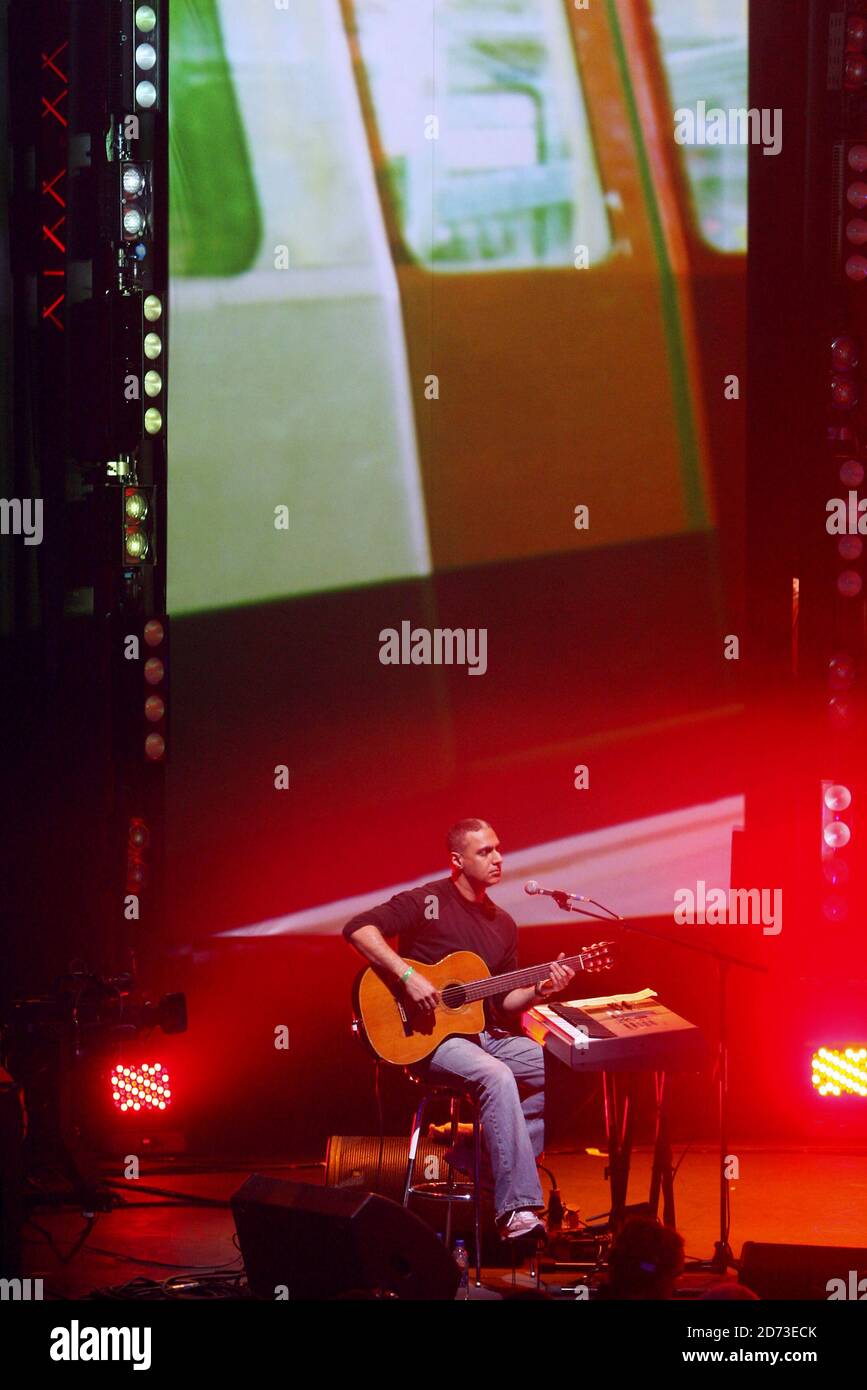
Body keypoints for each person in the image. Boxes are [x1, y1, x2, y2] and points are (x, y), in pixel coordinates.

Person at [343, 818, 575, 1240]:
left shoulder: (502, 924)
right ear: (457, 860)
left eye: (498, 849)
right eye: (485, 851)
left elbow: (503, 1003)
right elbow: (358, 929)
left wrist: (540, 988)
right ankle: (517, 1210)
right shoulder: (428, 900)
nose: (498, 858)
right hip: (425, 1042)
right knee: (496, 1076)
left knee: (564, 1060)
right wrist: (409, 979)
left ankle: (480, 1155)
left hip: (481, 1035)